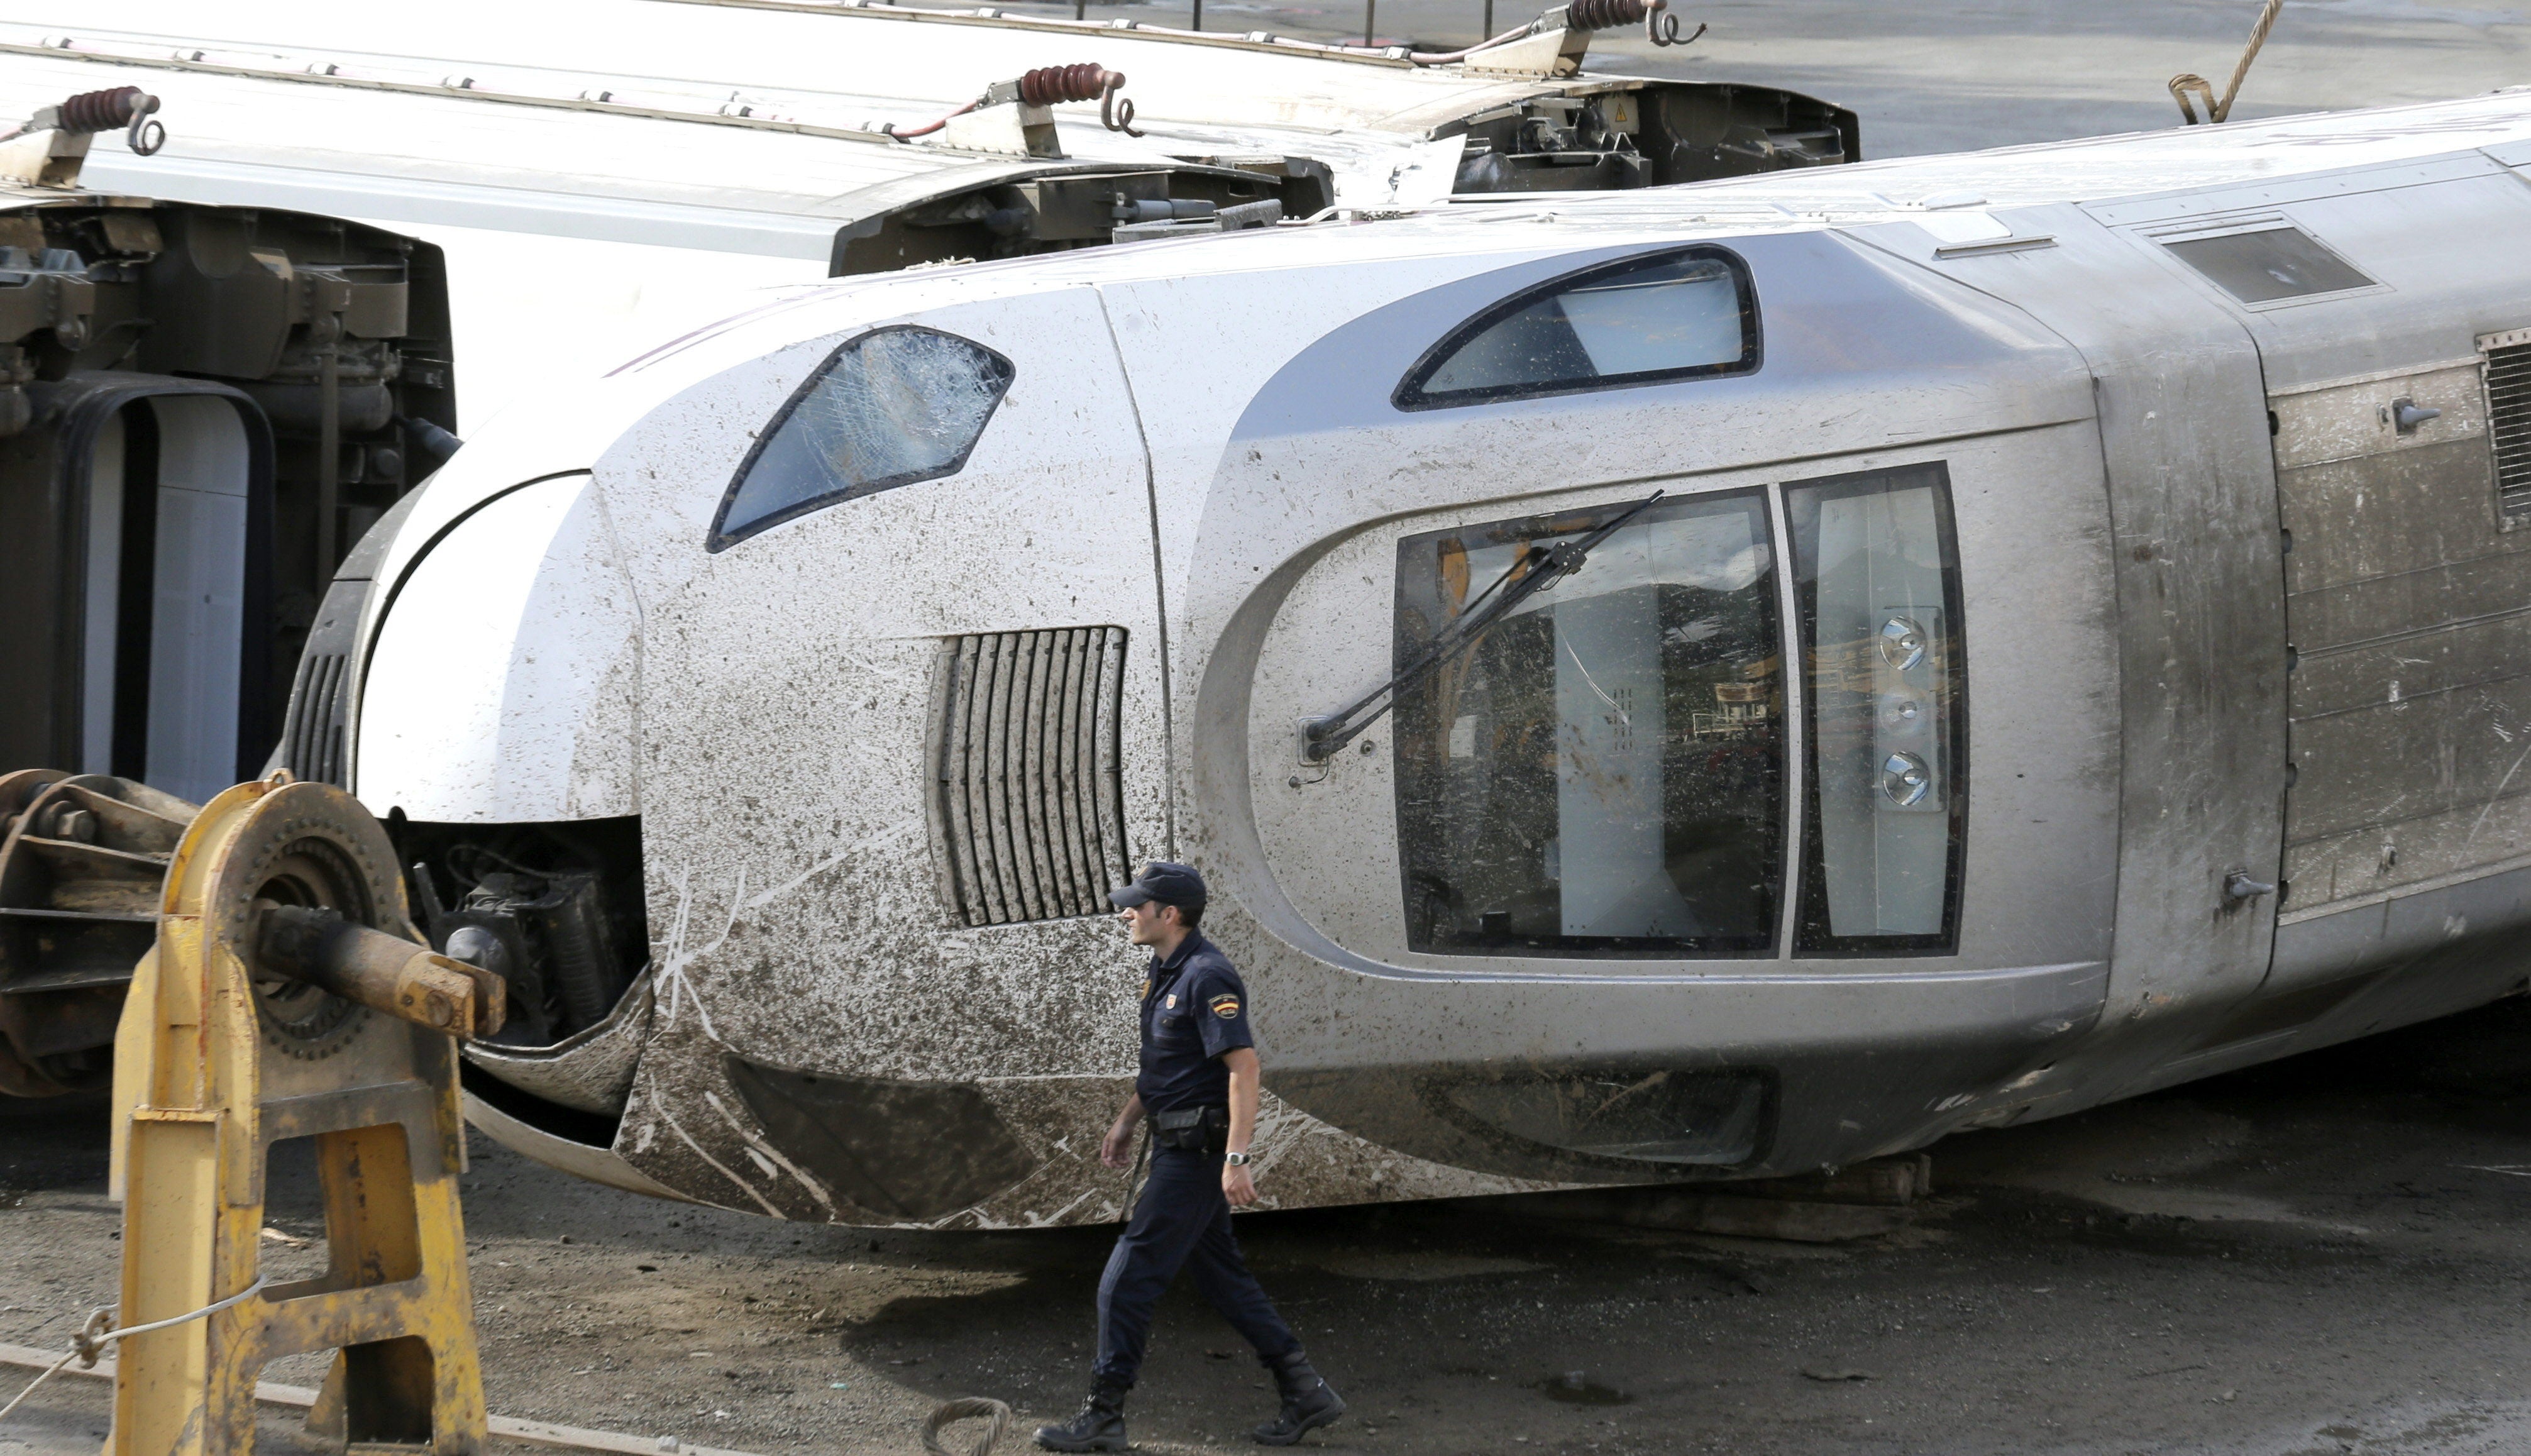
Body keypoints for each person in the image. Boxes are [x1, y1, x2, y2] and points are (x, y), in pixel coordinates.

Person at [1034, 861, 1347, 1452]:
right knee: (1222, 1278)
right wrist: (1128, 1120)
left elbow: (1244, 1067)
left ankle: (1103, 1416)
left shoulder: (1207, 976)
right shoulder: (1164, 970)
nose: (1126, 913)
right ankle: (1306, 1391)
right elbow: (1167, 1063)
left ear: (1169, 914)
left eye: (1137, 905)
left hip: (1197, 1156)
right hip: (1173, 1142)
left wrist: (1236, 1158)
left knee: (1126, 1280)